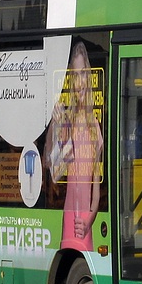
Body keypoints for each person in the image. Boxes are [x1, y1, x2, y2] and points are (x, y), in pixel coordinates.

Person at [44, 41, 104, 251]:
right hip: (69, 216)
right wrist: (55, 127)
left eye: (83, 74)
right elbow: (52, 168)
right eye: (75, 75)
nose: (79, 81)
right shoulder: (64, 119)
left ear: (89, 77)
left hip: (85, 223)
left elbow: (96, 190)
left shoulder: (94, 127)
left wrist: (89, 219)